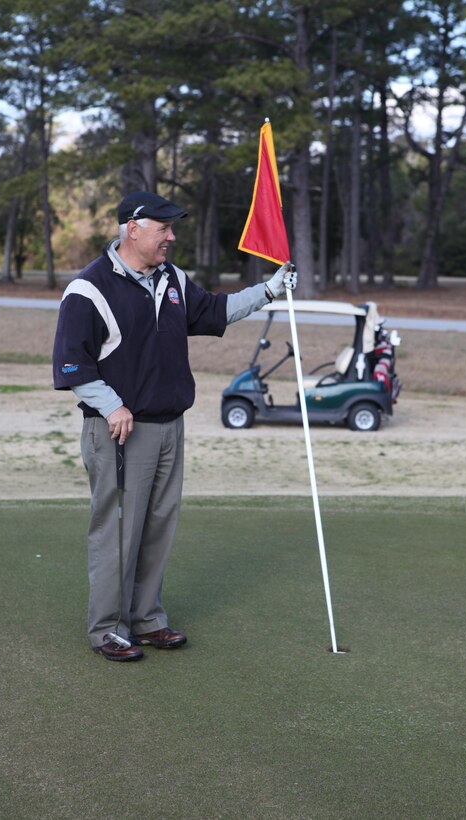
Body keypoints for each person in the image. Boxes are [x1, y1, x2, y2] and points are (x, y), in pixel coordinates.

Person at [52, 191, 297, 662]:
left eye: (172, 227)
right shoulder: (89, 289)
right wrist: (111, 405)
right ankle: (108, 629)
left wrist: (269, 289)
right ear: (133, 228)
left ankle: (146, 620)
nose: (172, 236)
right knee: (118, 529)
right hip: (120, 430)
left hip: (169, 426)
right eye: (164, 228)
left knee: (159, 526)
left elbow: (216, 312)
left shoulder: (173, 279)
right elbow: (71, 365)